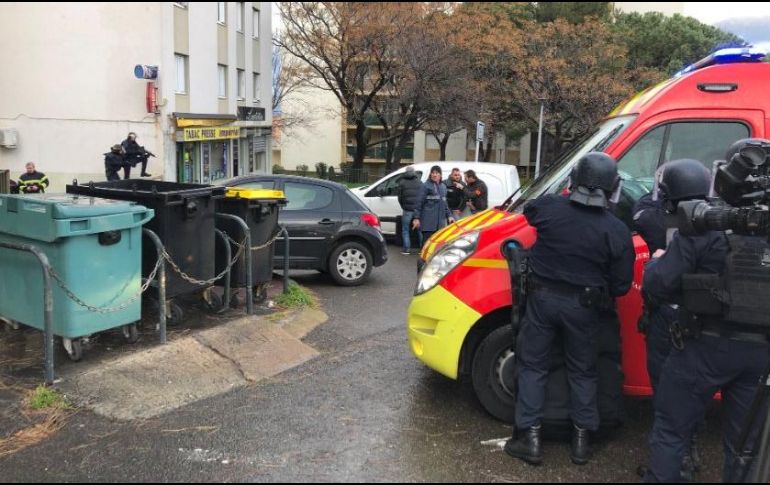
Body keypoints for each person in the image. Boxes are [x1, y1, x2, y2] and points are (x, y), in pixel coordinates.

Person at [643, 146, 770, 483]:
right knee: (746, 448)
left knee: (671, 432)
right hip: (760, 356)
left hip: (703, 346)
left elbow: (659, 284)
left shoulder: (706, 225)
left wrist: (656, 262)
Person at [505, 152, 634, 466]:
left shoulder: (549, 210)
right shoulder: (615, 230)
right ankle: (581, 443)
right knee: (583, 372)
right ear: (612, 187)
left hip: (542, 301)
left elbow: (531, 207)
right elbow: (620, 286)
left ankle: (530, 440)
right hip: (584, 308)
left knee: (533, 367)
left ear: (574, 181)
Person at [634, 160, 712, 481]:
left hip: (667, 317)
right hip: (704, 321)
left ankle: (672, 464)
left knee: (666, 395)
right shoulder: (716, 223)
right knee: (695, 391)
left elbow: (639, 207)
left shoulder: (653, 218)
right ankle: (690, 448)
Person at [412, 165, 454, 244]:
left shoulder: (443, 187)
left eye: (437, 173)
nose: (434, 175)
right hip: (428, 224)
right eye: (433, 173)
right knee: (427, 245)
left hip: (440, 225)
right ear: (430, 174)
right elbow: (418, 203)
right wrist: (416, 218)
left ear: (440, 175)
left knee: (437, 247)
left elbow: (445, 204)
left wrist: (449, 216)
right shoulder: (425, 186)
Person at [397, 166, 424, 255]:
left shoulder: (402, 182)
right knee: (420, 230)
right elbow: (422, 197)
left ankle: (406, 249)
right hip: (418, 210)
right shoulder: (419, 182)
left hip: (407, 210)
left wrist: (403, 206)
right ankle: (422, 249)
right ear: (414, 172)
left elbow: (399, 197)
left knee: (405, 229)